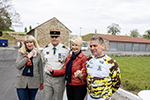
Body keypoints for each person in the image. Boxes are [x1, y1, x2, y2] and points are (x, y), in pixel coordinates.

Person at [46, 36, 87, 100]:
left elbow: (84, 75)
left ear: (81, 46)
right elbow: (63, 70)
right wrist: (53, 71)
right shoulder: (69, 57)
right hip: (69, 85)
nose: (74, 47)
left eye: (76, 45)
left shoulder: (84, 58)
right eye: (72, 45)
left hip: (79, 87)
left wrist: (81, 75)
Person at [86, 36, 121, 100]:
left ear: (102, 46)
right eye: (91, 46)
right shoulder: (89, 60)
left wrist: (106, 93)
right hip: (90, 97)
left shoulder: (111, 63)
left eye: (95, 46)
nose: (92, 48)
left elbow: (117, 82)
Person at [41, 29, 70, 100]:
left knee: (58, 98)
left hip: (59, 79)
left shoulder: (66, 50)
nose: (54, 39)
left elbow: (67, 64)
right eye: (52, 37)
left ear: (59, 38)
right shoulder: (45, 49)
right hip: (48, 78)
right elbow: (43, 62)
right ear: (50, 38)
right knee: (47, 98)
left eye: (56, 37)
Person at [15, 35, 43, 100]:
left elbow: (40, 69)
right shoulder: (21, 53)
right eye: (27, 42)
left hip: (34, 82)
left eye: (31, 42)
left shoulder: (38, 54)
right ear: (25, 44)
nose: (29, 44)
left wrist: (41, 82)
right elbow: (18, 65)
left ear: (34, 43)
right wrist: (28, 57)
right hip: (21, 82)